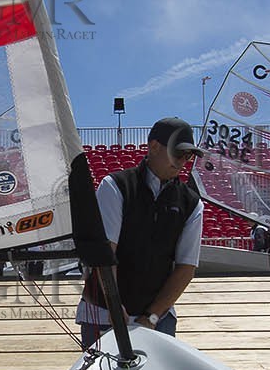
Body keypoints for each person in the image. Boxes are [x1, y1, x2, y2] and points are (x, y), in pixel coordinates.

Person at [75, 116, 205, 347]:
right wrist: (115, 309)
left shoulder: (192, 204)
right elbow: (105, 255)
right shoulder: (115, 186)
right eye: (178, 153)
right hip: (104, 315)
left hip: (158, 319)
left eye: (188, 155)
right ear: (154, 147)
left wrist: (152, 318)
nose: (184, 161)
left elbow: (186, 268)